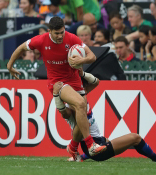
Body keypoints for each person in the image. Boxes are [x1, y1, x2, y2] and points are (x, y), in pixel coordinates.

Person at [7, 16, 107, 157]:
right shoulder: (40, 40)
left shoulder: (72, 38)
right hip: (57, 83)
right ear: (49, 31)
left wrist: (82, 60)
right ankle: (91, 145)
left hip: (75, 81)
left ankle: (72, 147)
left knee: (81, 113)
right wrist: (10, 65)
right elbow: (21, 48)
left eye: (62, 32)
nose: (60, 36)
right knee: (79, 103)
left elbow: (92, 57)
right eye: (57, 33)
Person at [53, 69, 156, 163]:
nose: (81, 87)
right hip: (94, 148)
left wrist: (82, 73)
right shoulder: (74, 106)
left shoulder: (81, 97)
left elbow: (96, 82)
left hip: (99, 142)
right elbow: (64, 113)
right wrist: (56, 95)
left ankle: (81, 158)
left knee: (114, 140)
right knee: (135, 138)